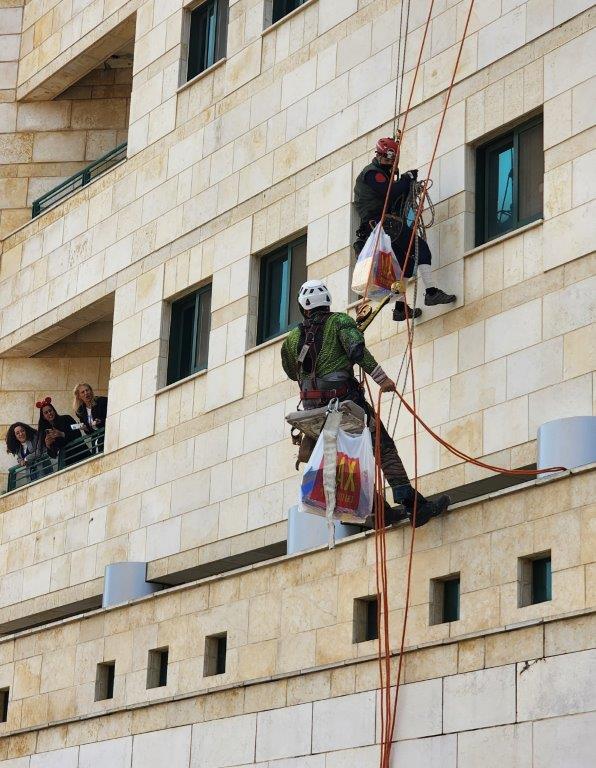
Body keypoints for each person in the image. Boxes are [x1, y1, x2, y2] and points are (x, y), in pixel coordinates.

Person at [281, 279, 450, 527]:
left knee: (345, 458)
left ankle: (375, 511)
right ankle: (413, 506)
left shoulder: (292, 338)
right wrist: (383, 379)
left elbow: (292, 372)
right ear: (327, 303)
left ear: (303, 307)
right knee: (383, 447)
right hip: (345, 407)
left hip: (314, 414)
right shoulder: (340, 322)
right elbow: (358, 352)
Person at [353, 136, 456, 320]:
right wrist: (407, 179)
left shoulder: (379, 174)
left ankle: (400, 308)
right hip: (383, 224)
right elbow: (390, 192)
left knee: (406, 263)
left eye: (392, 159)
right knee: (421, 248)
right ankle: (431, 292)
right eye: (387, 158)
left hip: (381, 226)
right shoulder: (372, 174)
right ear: (379, 155)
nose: (389, 162)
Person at [36, 397, 87, 467]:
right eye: (46, 413)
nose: (49, 413)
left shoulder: (66, 418)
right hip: (66, 460)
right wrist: (48, 446)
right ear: (44, 417)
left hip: (81, 453)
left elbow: (78, 434)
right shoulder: (46, 431)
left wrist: (62, 434)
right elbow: (53, 455)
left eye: (50, 410)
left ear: (54, 411)